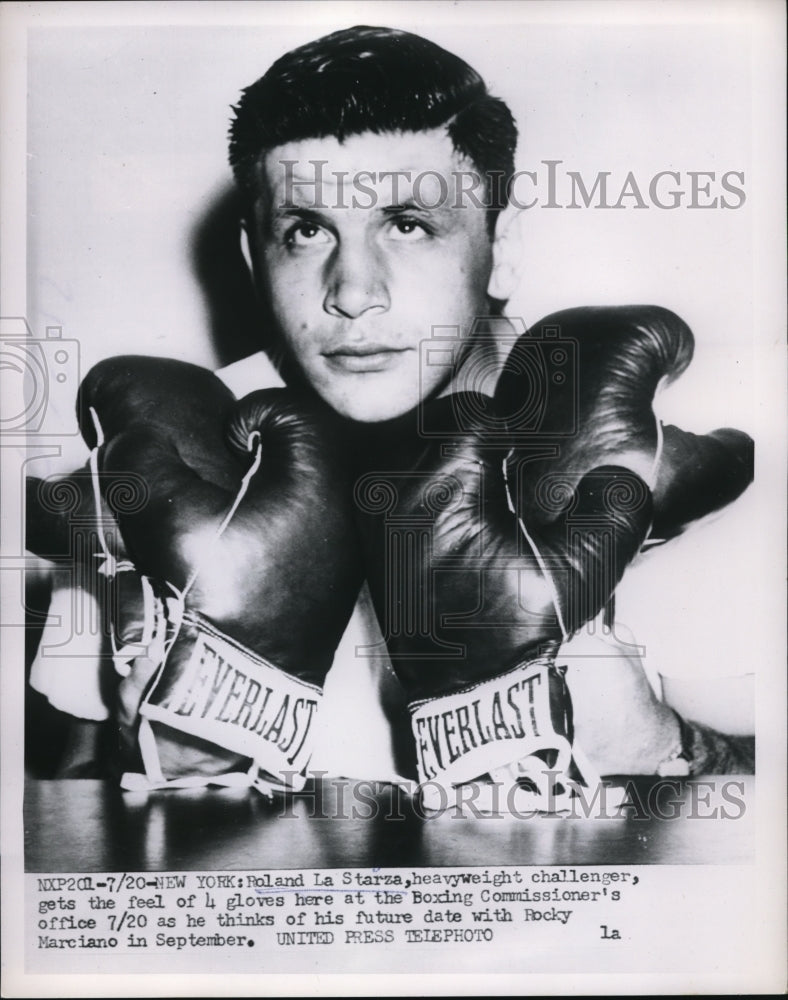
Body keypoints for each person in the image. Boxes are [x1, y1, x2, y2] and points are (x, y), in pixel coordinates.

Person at [26, 25, 754, 796]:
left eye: (408, 225)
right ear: (253, 259)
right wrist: (174, 752)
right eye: (307, 231)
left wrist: (657, 744)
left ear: (502, 245)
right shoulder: (177, 453)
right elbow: (64, 791)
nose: (352, 292)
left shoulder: (644, 446)